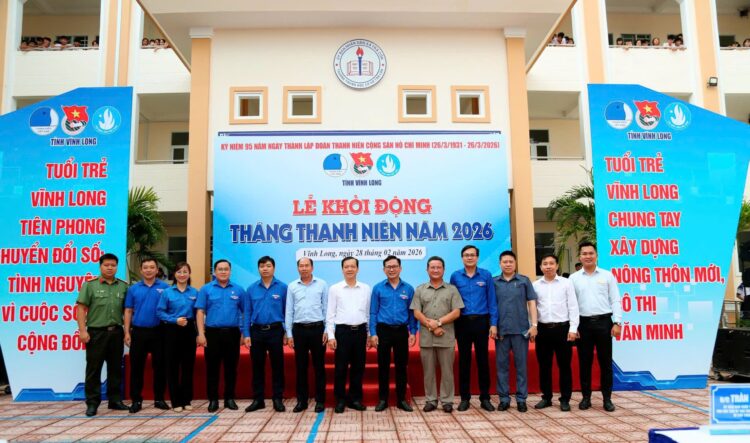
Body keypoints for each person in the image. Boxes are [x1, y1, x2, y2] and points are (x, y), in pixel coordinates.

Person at [570, 241, 622, 412]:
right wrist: (573, 327)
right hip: (583, 324)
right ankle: (586, 398)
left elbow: (615, 299)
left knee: (605, 363)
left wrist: (617, 322)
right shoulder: (573, 278)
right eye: (584, 253)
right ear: (580, 257)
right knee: (585, 363)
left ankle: (607, 399)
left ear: (596, 255)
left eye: (591, 253)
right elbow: (571, 305)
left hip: (604, 323)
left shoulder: (607, 276)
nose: (588, 256)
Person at [76, 253, 129, 417]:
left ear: (117, 267)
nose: (110, 268)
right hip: (96, 333)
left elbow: (127, 311)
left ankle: (115, 400)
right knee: (94, 369)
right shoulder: (90, 285)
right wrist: (82, 330)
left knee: (115, 368)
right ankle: (92, 403)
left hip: (116, 332)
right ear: (100, 267)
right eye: (106, 265)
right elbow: (80, 308)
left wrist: (127, 331)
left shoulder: (123, 286)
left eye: (113, 265)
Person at [411, 256, 464, 413]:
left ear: (443, 270)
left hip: (446, 337)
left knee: (447, 372)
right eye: (432, 267)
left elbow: (456, 312)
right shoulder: (420, 289)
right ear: (427, 270)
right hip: (426, 339)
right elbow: (416, 312)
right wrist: (432, 327)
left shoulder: (452, 289)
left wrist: (438, 322)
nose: (435, 270)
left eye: (438, 267)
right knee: (428, 372)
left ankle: (447, 401)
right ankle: (431, 400)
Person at [449, 245, 497, 411]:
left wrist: (493, 323)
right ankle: (465, 398)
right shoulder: (455, 276)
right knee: (464, 361)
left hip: (481, 322)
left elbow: (492, 300)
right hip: (462, 323)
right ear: (462, 258)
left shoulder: (486, 275)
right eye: (466, 255)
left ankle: (485, 398)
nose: (469, 257)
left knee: (483, 361)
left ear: (477, 257)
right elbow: (452, 301)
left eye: (472, 255)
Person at [369, 255, 417, 412]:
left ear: (400, 268)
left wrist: (413, 332)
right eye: (388, 267)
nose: (391, 269)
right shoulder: (378, 288)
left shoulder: (408, 289)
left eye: (394, 266)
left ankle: (401, 400)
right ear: (384, 269)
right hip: (383, 331)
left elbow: (412, 313)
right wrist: (373, 333)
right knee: (383, 366)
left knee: (401, 366)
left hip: (401, 331)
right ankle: (383, 399)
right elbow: (373, 312)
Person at [196, 259, 245, 412]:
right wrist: (201, 333)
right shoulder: (206, 289)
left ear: (230, 271)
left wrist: (243, 332)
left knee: (231, 368)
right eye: (220, 269)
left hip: (232, 333)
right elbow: (200, 312)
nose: (223, 272)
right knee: (212, 368)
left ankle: (229, 398)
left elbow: (245, 312)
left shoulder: (238, 290)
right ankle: (213, 399)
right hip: (212, 334)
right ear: (214, 271)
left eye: (226, 269)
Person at [532, 254, 579, 412]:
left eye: (551, 263)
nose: (548, 266)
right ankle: (546, 397)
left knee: (564, 366)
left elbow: (573, 306)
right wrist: (533, 327)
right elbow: (532, 308)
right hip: (543, 330)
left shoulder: (566, 283)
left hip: (562, 329)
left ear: (557, 266)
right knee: (544, 365)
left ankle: (565, 399)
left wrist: (573, 329)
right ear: (540, 267)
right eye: (545, 263)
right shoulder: (535, 285)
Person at [124, 258, 170, 413]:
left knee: (160, 367)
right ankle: (136, 400)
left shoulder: (165, 288)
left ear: (157, 270)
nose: (149, 270)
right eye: (145, 267)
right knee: (136, 367)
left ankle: (159, 399)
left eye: (152, 267)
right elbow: (128, 310)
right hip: (139, 332)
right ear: (141, 270)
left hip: (160, 332)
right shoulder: (133, 289)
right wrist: (127, 332)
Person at [494, 250, 537, 412]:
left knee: (521, 367)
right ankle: (504, 399)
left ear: (515, 263)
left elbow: (532, 303)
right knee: (502, 367)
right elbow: (491, 305)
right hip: (501, 331)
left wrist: (534, 325)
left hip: (521, 331)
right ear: (500, 264)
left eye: (511, 261)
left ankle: (521, 399)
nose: (508, 264)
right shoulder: (494, 282)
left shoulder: (524, 281)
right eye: (505, 262)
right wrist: (493, 325)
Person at [243, 256, 288, 413]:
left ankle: (278, 398)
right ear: (258, 269)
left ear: (273, 268)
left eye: (268, 266)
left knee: (278, 366)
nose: (265, 268)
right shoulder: (251, 289)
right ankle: (258, 399)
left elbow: (287, 312)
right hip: (256, 331)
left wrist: (287, 332)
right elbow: (247, 312)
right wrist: (246, 333)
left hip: (276, 331)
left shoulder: (283, 288)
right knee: (257, 366)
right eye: (262, 266)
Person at [326, 257, 371, 413]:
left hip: (360, 332)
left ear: (358, 269)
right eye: (346, 266)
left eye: (353, 266)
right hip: (342, 332)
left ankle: (355, 399)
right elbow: (330, 314)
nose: (350, 269)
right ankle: (340, 400)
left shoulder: (366, 288)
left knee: (358, 367)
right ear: (342, 269)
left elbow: (368, 313)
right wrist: (331, 336)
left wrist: (369, 334)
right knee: (341, 367)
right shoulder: (335, 289)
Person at [286, 257, 328, 413]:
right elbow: (289, 310)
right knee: (301, 367)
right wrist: (289, 334)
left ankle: (320, 400)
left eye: (307, 265)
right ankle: (301, 401)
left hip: (318, 329)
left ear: (312, 267)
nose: (304, 268)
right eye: (301, 266)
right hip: (299, 330)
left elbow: (326, 308)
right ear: (298, 268)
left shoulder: (322, 284)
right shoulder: (292, 286)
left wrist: (327, 330)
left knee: (319, 367)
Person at [157, 262, 198, 412]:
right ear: (174, 274)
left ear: (189, 273)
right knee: (172, 366)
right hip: (171, 330)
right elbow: (160, 312)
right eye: (179, 272)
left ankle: (186, 399)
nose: (182, 274)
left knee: (188, 366)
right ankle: (176, 401)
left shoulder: (195, 292)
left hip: (189, 330)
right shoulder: (167, 292)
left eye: (185, 271)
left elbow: (199, 313)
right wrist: (174, 320)